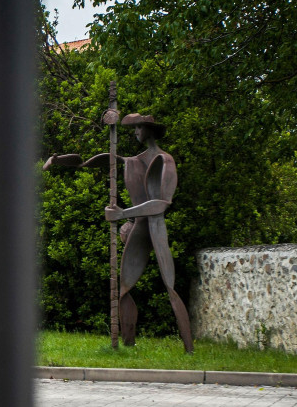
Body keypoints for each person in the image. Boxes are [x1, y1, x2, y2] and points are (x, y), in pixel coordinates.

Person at [43, 113, 194, 353]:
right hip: (138, 228)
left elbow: (162, 203)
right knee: (124, 289)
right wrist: (60, 161)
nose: (134, 132)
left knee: (170, 285)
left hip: (155, 228)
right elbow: (103, 160)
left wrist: (122, 215)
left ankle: (189, 347)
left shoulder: (165, 160)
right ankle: (127, 344)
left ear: (148, 129)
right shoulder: (133, 161)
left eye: (137, 128)